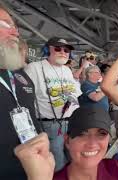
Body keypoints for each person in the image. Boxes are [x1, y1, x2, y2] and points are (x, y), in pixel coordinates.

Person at [14, 106, 118, 180]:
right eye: (82, 134)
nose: (92, 143)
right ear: (67, 141)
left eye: (101, 134)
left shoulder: (116, 169)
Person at [24, 37, 82, 171]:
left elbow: (75, 92)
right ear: (47, 50)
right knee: (57, 163)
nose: (63, 52)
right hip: (50, 124)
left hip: (71, 122)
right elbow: (25, 96)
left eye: (66, 50)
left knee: (73, 160)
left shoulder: (67, 70)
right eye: (57, 48)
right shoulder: (34, 68)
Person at [0, 5, 42, 179]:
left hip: (29, 169)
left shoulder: (17, 73)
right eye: (4, 24)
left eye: (14, 27)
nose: (15, 33)